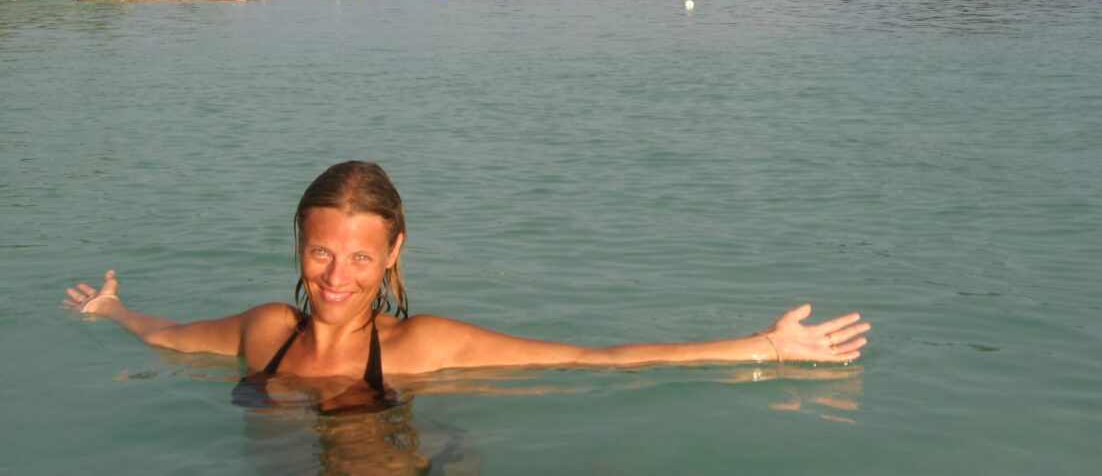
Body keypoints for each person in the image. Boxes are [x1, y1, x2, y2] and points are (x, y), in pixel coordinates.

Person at [64, 161, 870, 411]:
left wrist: (764, 347)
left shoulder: (422, 346)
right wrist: (112, 309)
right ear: (299, 247)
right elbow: (168, 335)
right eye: (321, 254)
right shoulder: (265, 333)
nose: (337, 278)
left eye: (360, 258)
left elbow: (599, 360)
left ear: (394, 253)